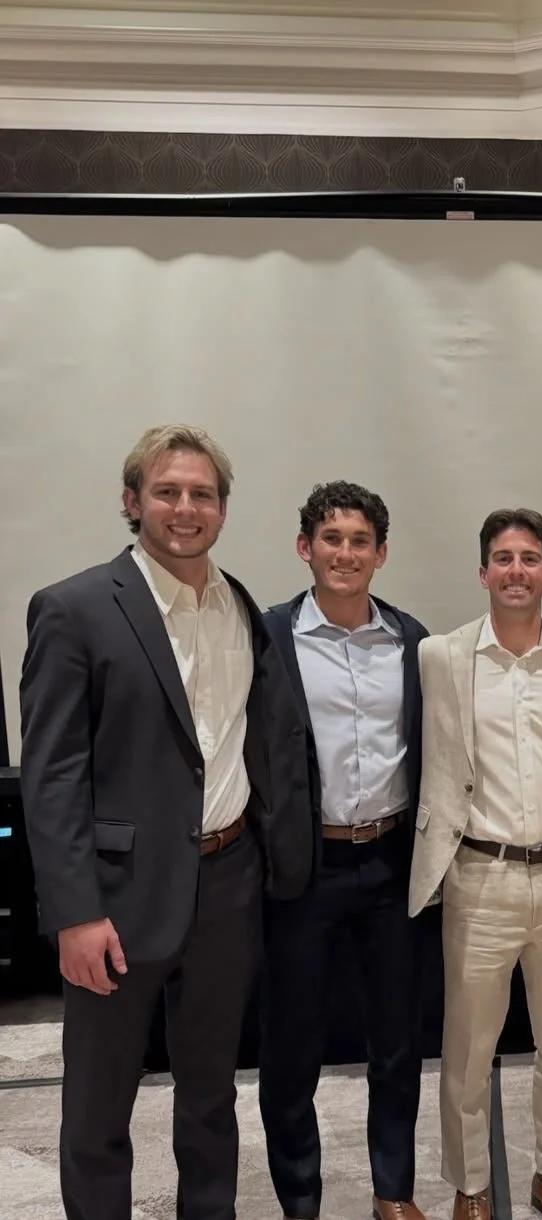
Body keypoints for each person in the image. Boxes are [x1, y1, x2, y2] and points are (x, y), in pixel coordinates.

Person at [18, 423, 314, 1220]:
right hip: (115, 899)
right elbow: (52, 777)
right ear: (132, 500)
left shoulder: (240, 607)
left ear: (223, 508)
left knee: (212, 1094)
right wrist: (75, 913)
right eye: (167, 492)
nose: (187, 508)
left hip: (227, 883)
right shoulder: (74, 608)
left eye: (202, 494)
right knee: (98, 1105)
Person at [407, 508, 542, 1220]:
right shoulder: (440, 657)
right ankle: (470, 1186)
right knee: (468, 1049)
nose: (516, 570)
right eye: (503, 558)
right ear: (483, 572)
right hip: (479, 878)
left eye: (530, 559)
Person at [257, 481, 428, 1220]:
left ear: (381, 553)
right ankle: (301, 1202)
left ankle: (394, 1192)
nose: (346, 553)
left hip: (391, 864)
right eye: (332, 539)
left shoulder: (412, 640)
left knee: (397, 1043)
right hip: (304, 868)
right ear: (306, 547)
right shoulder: (267, 637)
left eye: (361, 541)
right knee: (292, 1049)